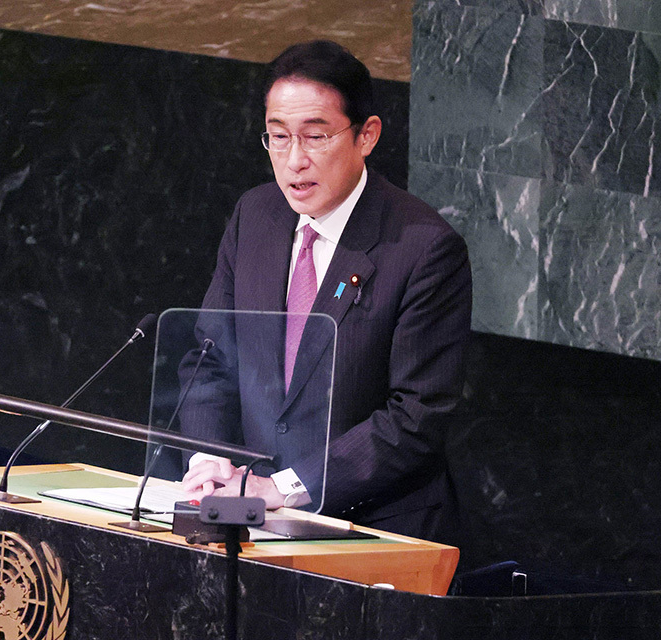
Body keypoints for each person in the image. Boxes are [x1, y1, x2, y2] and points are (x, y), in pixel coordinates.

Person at [178, 40, 472, 541]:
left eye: (315, 137)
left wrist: (286, 487)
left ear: (366, 136)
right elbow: (209, 359)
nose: (294, 161)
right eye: (277, 137)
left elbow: (417, 415)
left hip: (375, 528)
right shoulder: (257, 215)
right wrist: (210, 461)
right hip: (251, 520)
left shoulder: (423, 248)